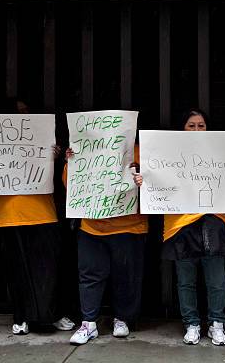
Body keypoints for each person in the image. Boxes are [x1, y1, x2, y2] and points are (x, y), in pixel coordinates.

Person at [0, 98, 74, 335]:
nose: (22, 116)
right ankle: (22, 317)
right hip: (7, 215)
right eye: (17, 112)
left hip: (43, 213)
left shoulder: (43, 139)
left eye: (26, 111)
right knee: (17, 272)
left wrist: (56, 156)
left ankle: (51, 314)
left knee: (49, 270)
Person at [138, 109, 225, 346]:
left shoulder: (222, 150)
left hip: (213, 221)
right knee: (185, 280)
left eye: (201, 125)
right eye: (192, 125)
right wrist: (144, 180)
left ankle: (216, 325)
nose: (197, 130)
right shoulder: (168, 152)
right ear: (183, 129)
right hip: (180, 225)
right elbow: (154, 176)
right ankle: (191, 324)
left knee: (216, 281)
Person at [64, 142, 148, 345]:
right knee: (89, 275)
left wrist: (142, 180)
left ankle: (122, 319)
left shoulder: (140, 150)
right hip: (92, 224)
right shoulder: (86, 149)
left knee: (126, 276)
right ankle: (88, 323)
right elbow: (69, 184)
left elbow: (156, 184)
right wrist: (71, 162)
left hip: (129, 224)